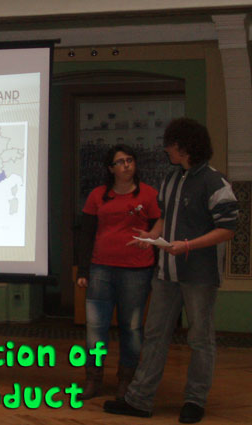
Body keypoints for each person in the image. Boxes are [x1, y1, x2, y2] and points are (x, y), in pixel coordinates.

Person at [103, 118, 238, 423]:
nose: (166, 149)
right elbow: (164, 217)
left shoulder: (216, 182)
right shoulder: (171, 178)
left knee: (200, 339)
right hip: (166, 273)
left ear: (185, 146)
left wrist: (188, 245)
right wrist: (151, 236)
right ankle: (139, 399)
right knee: (154, 334)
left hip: (200, 276)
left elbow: (228, 229)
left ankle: (195, 401)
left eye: (170, 144)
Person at [76, 144, 161, 400]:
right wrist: (83, 270)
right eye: (120, 161)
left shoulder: (149, 194)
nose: (126, 165)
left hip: (137, 270)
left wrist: (155, 264)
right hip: (101, 268)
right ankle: (93, 379)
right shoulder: (97, 195)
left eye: (130, 160)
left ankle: (126, 380)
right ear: (110, 168)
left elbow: (159, 226)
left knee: (132, 327)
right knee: (95, 328)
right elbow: (86, 234)